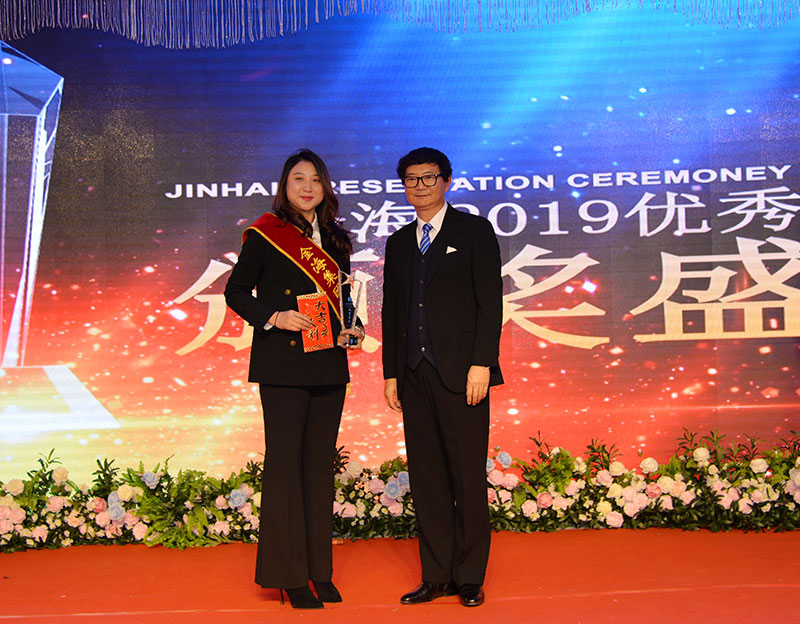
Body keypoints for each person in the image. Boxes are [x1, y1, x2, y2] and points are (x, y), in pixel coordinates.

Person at [225, 149, 362, 610]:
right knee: (286, 467)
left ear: (326, 187)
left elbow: (345, 299)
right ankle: (289, 576)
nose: (307, 187)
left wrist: (354, 326)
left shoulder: (337, 239)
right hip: (283, 365)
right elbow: (235, 292)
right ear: (284, 186)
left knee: (319, 468)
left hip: (327, 364)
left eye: (316, 180)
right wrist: (274, 317)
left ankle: (319, 570)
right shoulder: (267, 234)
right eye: (298, 179)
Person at [382, 147, 503, 608]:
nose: (420, 186)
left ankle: (469, 576)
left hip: (463, 374)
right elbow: (392, 312)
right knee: (427, 478)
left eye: (429, 177)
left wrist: (482, 363)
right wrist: (391, 373)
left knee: (467, 477)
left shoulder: (473, 231)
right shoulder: (398, 242)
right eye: (411, 179)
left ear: (446, 181)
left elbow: (489, 303)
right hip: (414, 376)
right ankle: (435, 575)